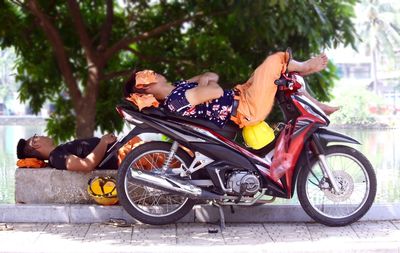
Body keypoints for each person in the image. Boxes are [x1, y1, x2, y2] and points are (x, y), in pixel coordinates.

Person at [125, 51, 339, 129]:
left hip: (242, 95)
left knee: (280, 74)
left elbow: (210, 76)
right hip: (246, 107)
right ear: (147, 88)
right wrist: (204, 85)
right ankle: (305, 66)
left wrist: (203, 84)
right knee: (275, 61)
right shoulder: (179, 98)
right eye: (146, 75)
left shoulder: (179, 89)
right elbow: (215, 90)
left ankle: (318, 106)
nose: (151, 72)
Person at [17, 133, 118, 171]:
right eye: (36, 136)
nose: (42, 135)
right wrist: (104, 142)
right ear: (35, 144)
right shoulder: (56, 157)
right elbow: (86, 165)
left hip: (123, 151)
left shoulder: (59, 151)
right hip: (122, 156)